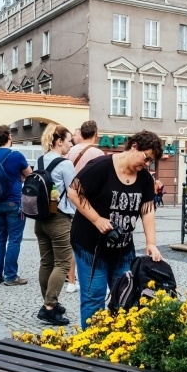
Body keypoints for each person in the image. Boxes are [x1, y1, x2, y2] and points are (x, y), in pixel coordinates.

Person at [68, 130, 163, 329]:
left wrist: (151, 243)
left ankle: (118, 343)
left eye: (150, 162)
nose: (146, 164)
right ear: (134, 146)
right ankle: (90, 345)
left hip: (122, 247)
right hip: (91, 246)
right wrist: (96, 219)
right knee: (94, 297)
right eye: (146, 158)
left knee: (125, 296)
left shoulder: (144, 178)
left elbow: (147, 210)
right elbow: (73, 192)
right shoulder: (102, 167)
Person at [34, 124, 76, 325]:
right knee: (62, 263)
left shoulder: (40, 160)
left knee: (46, 263)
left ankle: (49, 301)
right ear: (59, 141)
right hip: (59, 219)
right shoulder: (65, 164)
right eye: (69, 141)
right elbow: (74, 192)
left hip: (40, 220)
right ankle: (49, 307)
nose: (70, 144)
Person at [0, 125, 32, 286]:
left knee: (0, 238)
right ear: (10, 137)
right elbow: (30, 175)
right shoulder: (16, 155)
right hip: (13, 201)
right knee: (14, 240)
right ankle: (11, 276)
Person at [66, 120, 104, 293]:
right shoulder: (98, 153)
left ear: (81, 134)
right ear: (96, 134)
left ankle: (71, 281)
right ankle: (88, 278)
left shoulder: (71, 150)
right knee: (91, 242)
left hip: (71, 200)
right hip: (89, 202)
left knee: (74, 242)